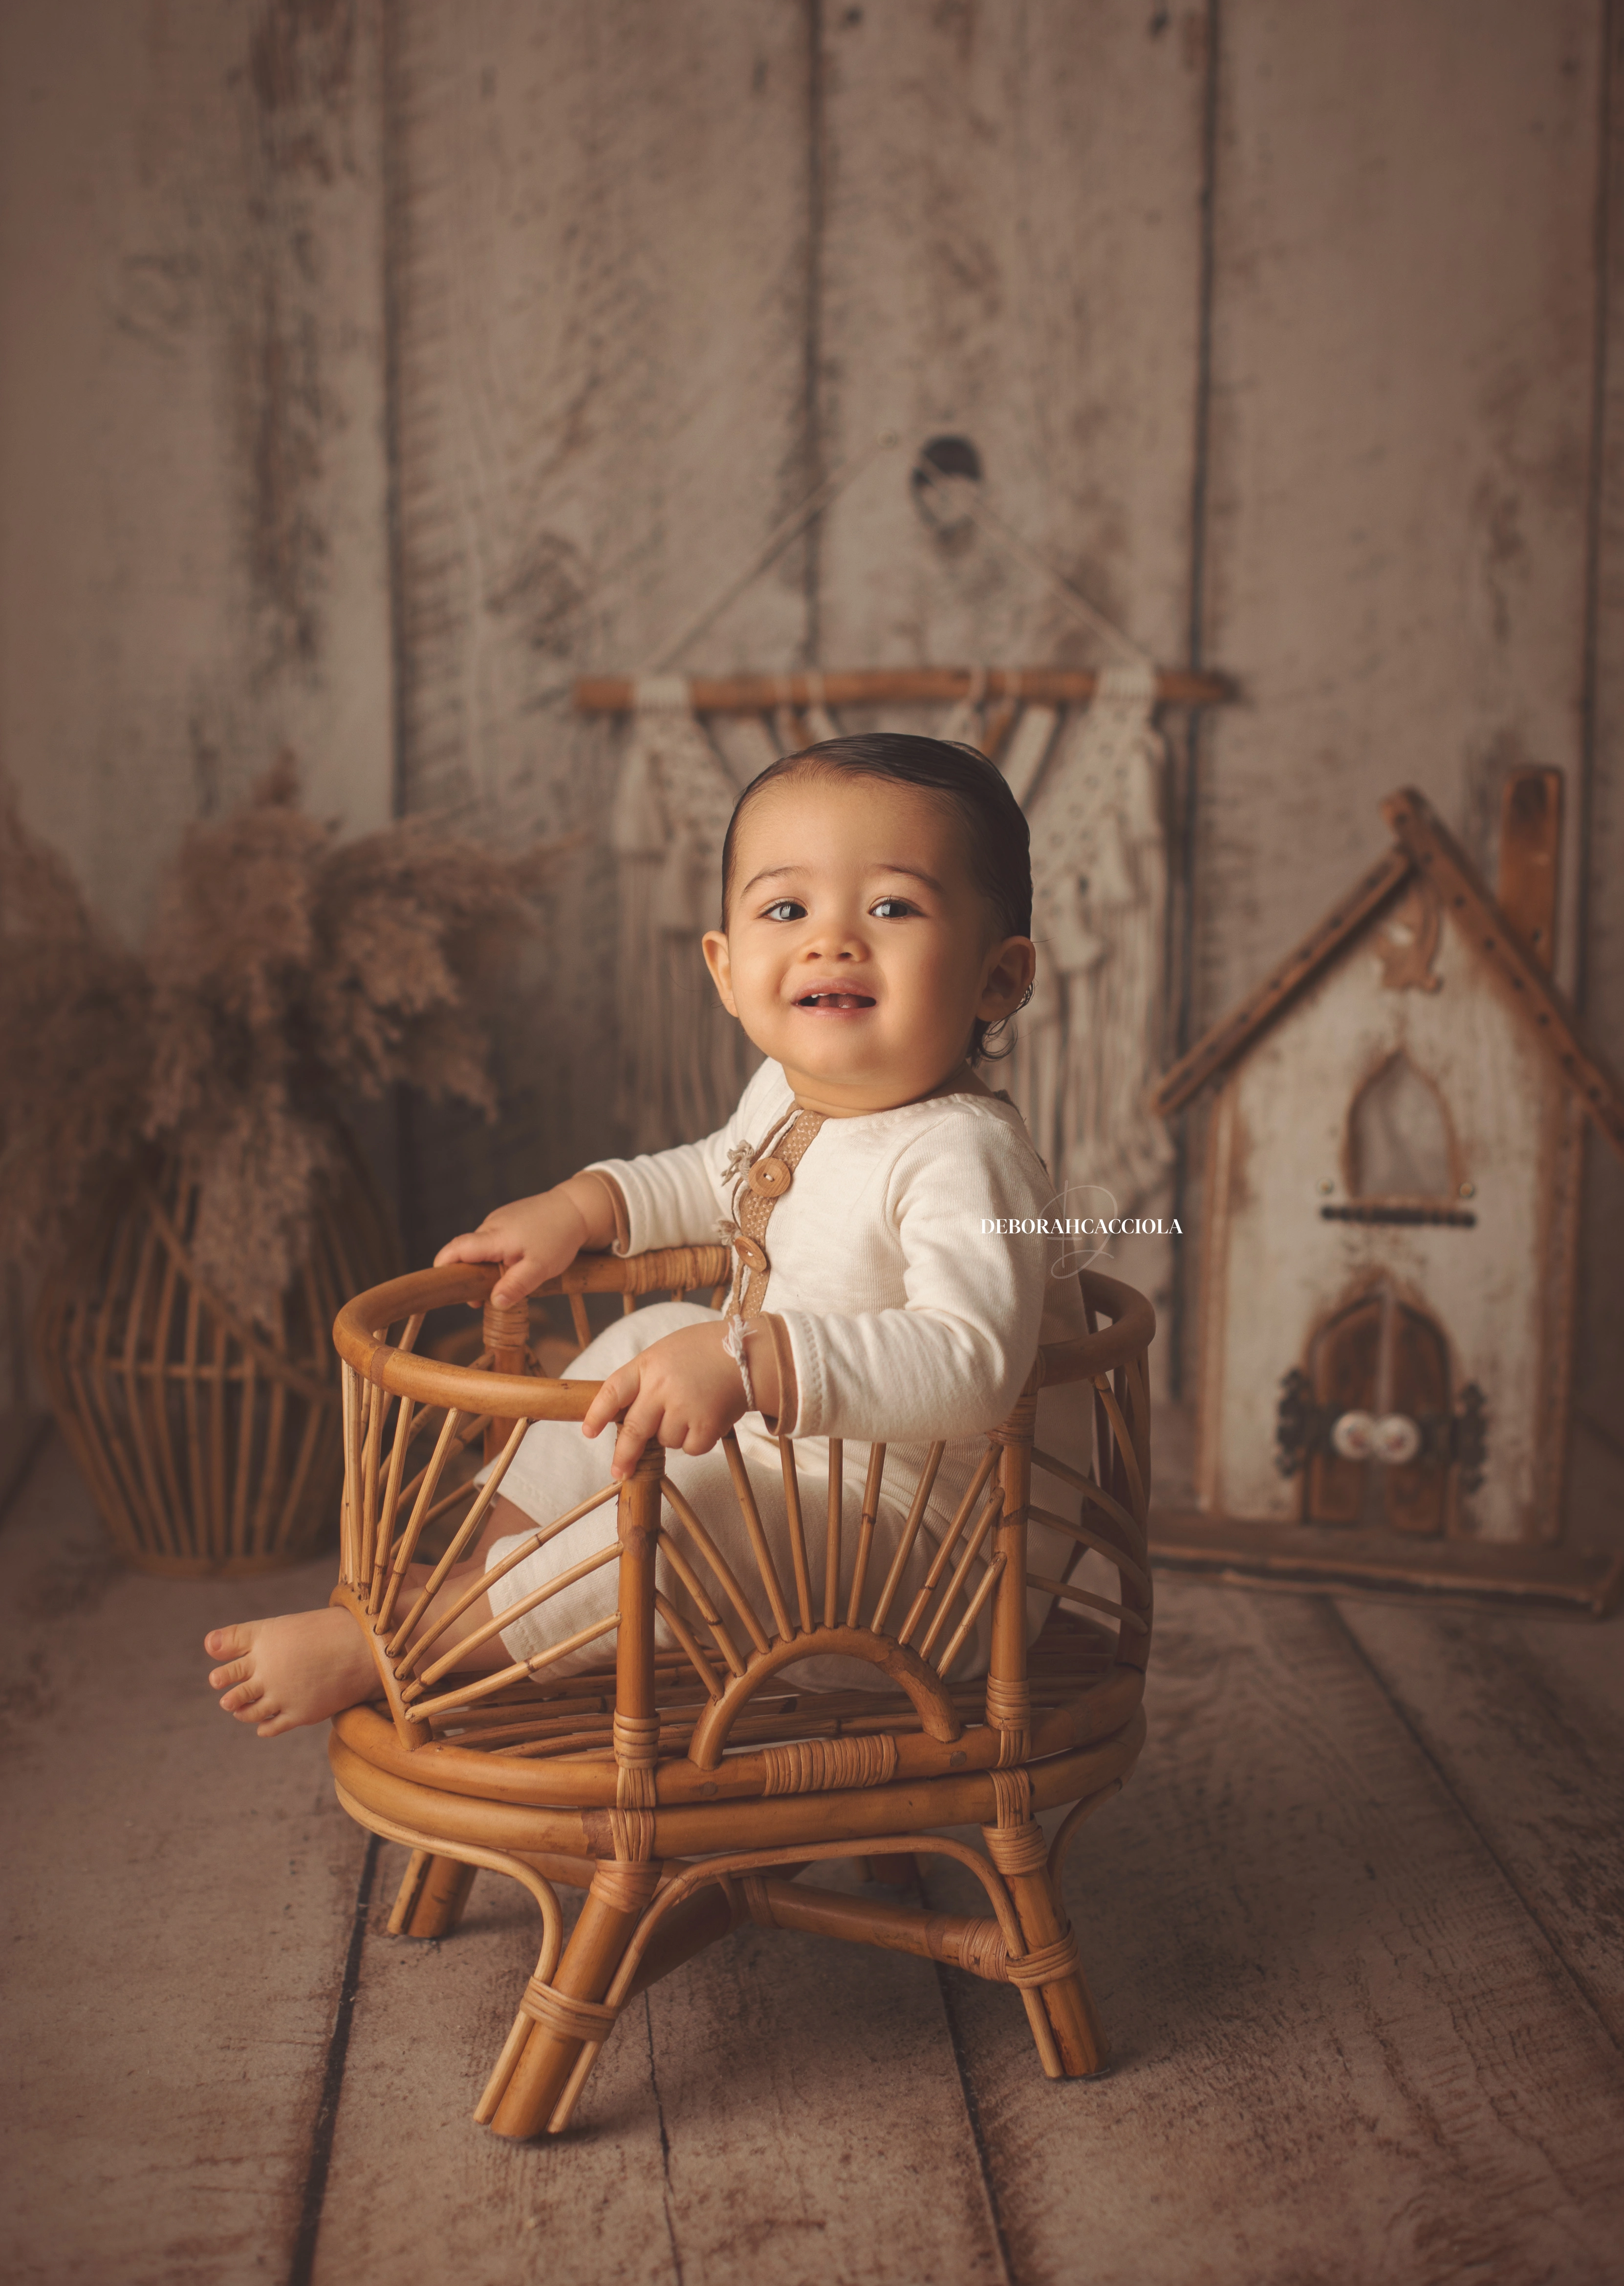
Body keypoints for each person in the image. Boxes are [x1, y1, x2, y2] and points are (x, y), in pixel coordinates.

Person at [204, 733, 1102, 1736]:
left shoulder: (963, 1153)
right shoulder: (786, 1092)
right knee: (646, 1337)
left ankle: (412, 1639)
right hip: (799, 1485)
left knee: (677, 1518)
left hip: (928, 1566)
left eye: (892, 907)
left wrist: (753, 1360)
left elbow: (971, 1361)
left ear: (997, 978)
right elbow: (712, 1171)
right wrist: (584, 1206)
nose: (832, 941)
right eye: (785, 910)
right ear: (726, 969)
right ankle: (483, 1572)